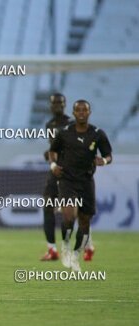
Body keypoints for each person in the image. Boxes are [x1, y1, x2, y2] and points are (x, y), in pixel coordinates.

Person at [49, 99, 112, 271]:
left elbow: (108, 155)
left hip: (86, 181)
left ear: (89, 113)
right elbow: (52, 151)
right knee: (69, 216)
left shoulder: (98, 134)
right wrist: (53, 165)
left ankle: (76, 255)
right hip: (67, 179)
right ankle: (66, 247)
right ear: (74, 113)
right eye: (79, 110)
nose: (82, 113)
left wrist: (104, 161)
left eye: (85, 110)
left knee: (85, 222)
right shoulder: (64, 133)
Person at [40, 93, 71, 261]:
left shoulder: (71, 124)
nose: (57, 106)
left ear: (65, 104)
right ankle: (51, 249)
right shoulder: (49, 124)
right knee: (47, 206)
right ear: (50, 106)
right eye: (54, 103)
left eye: (60, 102)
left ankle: (72, 246)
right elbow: (54, 148)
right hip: (54, 171)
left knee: (70, 211)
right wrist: (50, 154)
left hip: (69, 173)